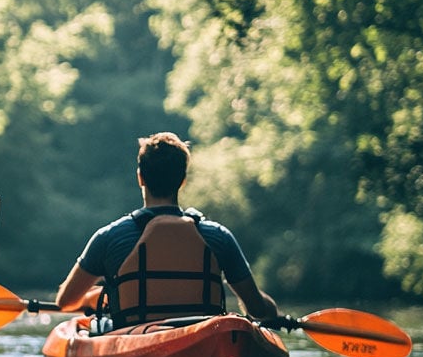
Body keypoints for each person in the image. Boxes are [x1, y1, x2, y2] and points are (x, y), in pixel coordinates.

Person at [55, 132, 278, 328]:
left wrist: (96, 299)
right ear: (182, 181)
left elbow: (65, 301)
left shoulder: (109, 238)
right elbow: (257, 309)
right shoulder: (218, 237)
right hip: (202, 341)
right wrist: (271, 309)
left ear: (140, 178)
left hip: (134, 341)